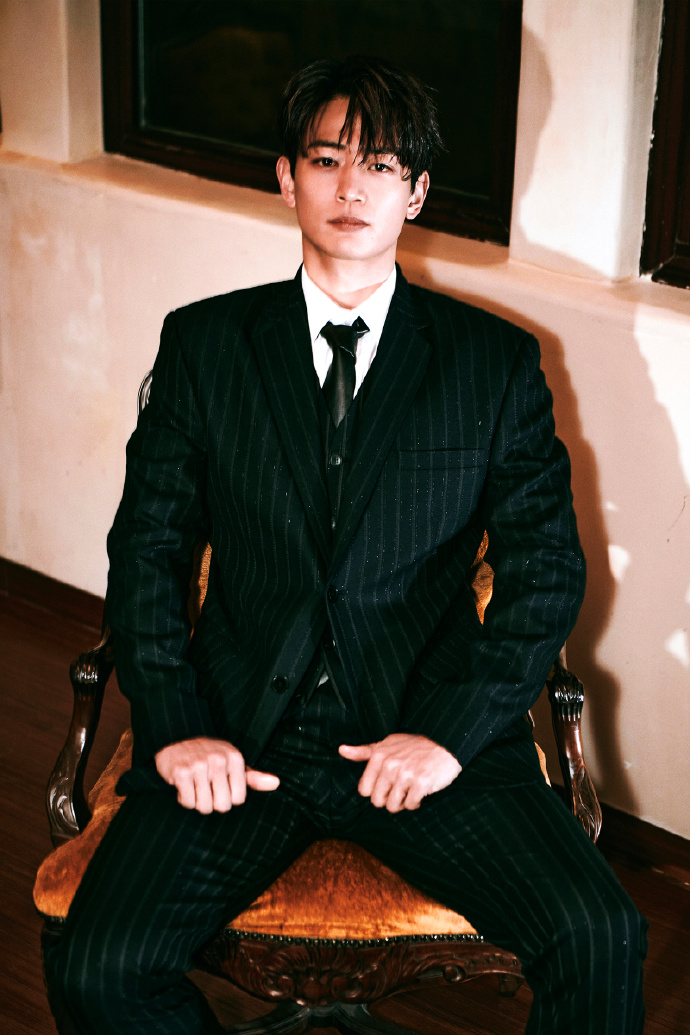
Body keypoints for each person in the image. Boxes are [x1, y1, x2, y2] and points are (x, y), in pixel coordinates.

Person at [47, 56, 646, 1034]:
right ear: (288, 178)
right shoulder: (205, 347)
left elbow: (544, 574)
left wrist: (450, 734)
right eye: (327, 160)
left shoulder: (493, 364)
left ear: (417, 192)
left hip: (427, 731)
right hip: (241, 736)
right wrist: (178, 721)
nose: (351, 188)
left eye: (381, 165)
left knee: (601, 935)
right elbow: (147, 551)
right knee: (98, 968)